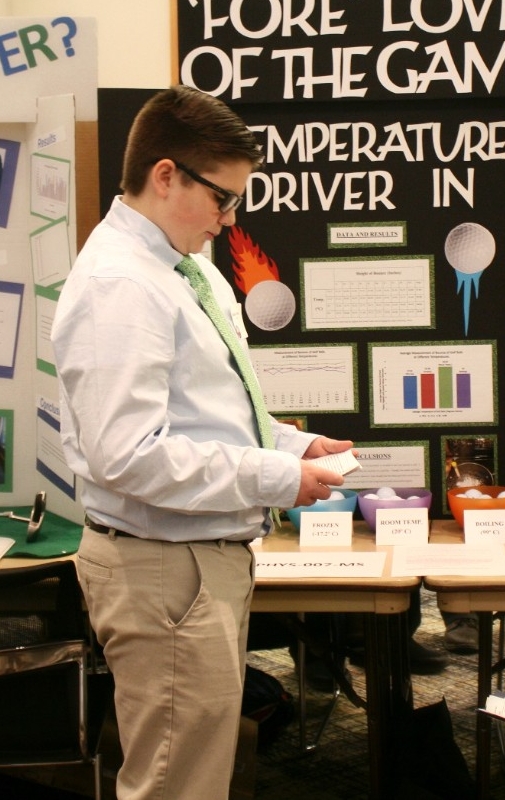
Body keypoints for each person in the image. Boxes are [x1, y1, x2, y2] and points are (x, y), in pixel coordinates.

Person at [51, 86, 355, 800]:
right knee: (174, 785)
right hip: (161, 567)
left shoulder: (183, 268)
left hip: (192, 560)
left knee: (194, 773)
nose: (228, 220)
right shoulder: (121, 286)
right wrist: (275, 478)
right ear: (165, 175)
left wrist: (292, 444)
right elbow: (127, 455)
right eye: (221, 198)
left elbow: (206, 411)